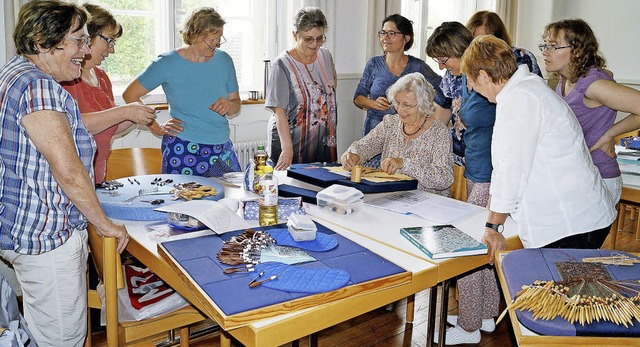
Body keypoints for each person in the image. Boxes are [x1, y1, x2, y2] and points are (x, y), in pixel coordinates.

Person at [0, 1, 129, 345]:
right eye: (78, 41)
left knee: (45, 330)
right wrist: (105, 225)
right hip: (47, 235)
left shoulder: (14, 73)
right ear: (43, 41)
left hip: (22, 224)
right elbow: (68, 171)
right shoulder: (39, 88)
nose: (86, 52)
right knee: (62, 339)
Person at [461, 33, 615, 273]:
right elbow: (510, 167)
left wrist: (493, 225)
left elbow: (511, 167)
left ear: (483, 75)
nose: (470, 87)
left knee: (564, 302)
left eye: (470, 80)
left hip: (572, 224)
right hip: (579, 217)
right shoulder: (525, 90)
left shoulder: (520, 98)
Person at [123, 7, 242, 177]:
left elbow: (236, 104)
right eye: (212, 40)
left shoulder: (224, 60)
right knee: (183, 202)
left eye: (219, 39)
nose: (216, 45)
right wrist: (154, 126)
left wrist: (229, 106)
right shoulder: (166, 63)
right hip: (183, 147)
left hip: (221, 146)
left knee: (231, 200)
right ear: (194, 36)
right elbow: (130, 94)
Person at [542, 19, 640, 204]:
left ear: (577, 50)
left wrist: (608, 135)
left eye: (553, 46)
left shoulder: (593, 85)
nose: (545, 52)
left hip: (599, 178)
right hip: (579, 176)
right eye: (545, 45)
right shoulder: (566, 80)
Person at [63, 3, 157, 185]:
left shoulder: (102, 76)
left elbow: (110, 126)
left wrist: (137, 115)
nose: (112, 49)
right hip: (74, 182)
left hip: (97, 178)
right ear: (87, 35)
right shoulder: (66, 76)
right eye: (109, 40)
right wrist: (124, 112)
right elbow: (73, 124)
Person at [341, 73, 453, 196]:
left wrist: (404, 164)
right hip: (388, 196)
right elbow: (365, 145)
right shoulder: (390, 123)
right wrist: (354, 154)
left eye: (407, 105)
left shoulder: (438, 132)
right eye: (397, 102)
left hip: (426, 202)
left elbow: (444, 178)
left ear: (423, 104)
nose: (400, 110)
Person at [266, 7, 337, 170]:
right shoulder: (282, 64)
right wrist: (287, 150)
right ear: (294, 35)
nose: (315, 44)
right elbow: (279, 111)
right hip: (291, 144)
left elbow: (330, 90)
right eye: (308, 39)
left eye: (319, 38)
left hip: (323, 143)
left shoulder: (326, 56)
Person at [354, 14, 444, 137]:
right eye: (383, 33)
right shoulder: (373, 64)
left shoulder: (418, 66)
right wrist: (373, 103)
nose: (385, 37)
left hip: (406, 134)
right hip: (374, 132)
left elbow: (443, 90)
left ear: (406, 38)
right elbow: (358, 98)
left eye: (391, 33)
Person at [466, 10, 542, 77]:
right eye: (473, 40)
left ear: (498, 38)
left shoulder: (521, 57)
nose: (476, 46)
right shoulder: (466, 61)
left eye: (483, 41)